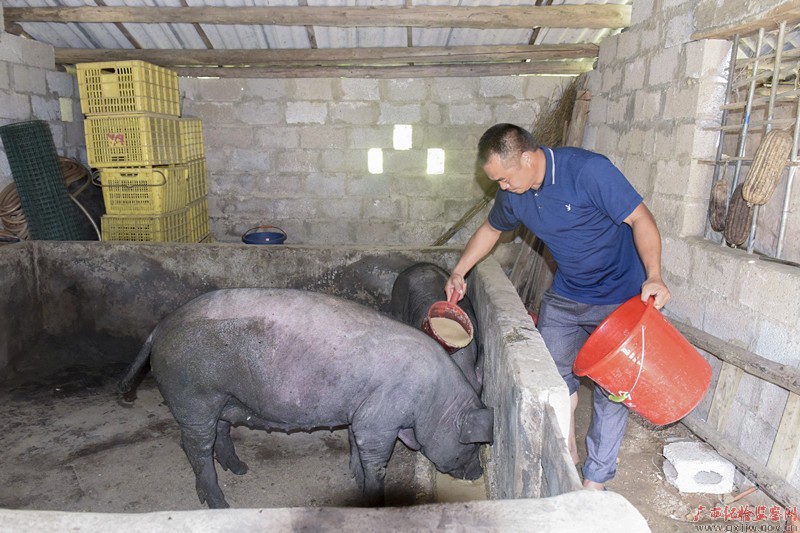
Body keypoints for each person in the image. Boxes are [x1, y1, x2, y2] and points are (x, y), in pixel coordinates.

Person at [445, 123, 671, 491]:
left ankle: (595, 482)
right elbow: (490, 229)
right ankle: (566, 449)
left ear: (526, 157)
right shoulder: (514, 193)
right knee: (551, 374)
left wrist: (655, 275)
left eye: (504, 178)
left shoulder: (587, 171)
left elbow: (640, 218)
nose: (502, 188)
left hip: (620, 298)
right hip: (568, 295)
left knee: (613, 391)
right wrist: (458, 270)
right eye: (496, 181)